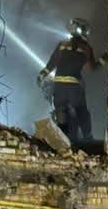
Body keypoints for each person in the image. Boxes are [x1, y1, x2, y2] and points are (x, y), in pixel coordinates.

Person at [38, 17, 102, 145]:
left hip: (59, 87)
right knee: (82, 111)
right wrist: (105, 58)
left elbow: (51, 64)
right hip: (74, 87)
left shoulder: (62, 45)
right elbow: (93, 67)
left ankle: (61, 139)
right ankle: (88, 138)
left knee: (61, 113)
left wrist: (41, 76)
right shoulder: (86, 48)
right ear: (83, 32)